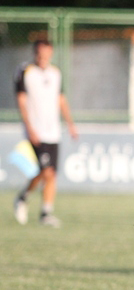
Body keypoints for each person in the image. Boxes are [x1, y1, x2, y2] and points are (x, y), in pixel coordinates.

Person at [13, 40, 79, 228]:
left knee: (51, 175)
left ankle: (45, 212)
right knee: (45, 171)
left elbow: (61, 100)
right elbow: (21, 101)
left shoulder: (55, 73)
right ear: (35, 52)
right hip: (35, 131)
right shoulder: (25, 71)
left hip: (53, 131)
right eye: (40, 54)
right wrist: (29, 127)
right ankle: (23, 198)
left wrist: (70, 124)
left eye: (47, 54)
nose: (43, 58)